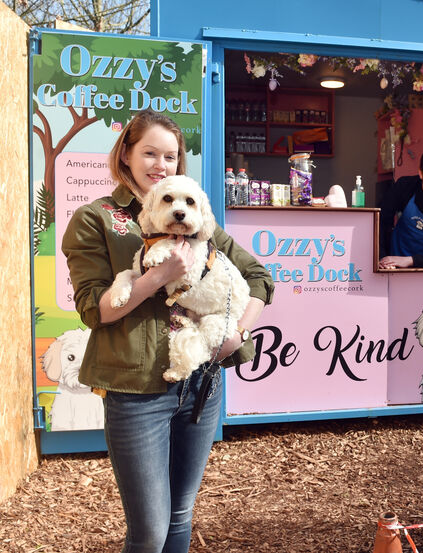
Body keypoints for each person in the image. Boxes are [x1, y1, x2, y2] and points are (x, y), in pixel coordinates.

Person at [61, 109, 274, 553]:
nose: (161, 165)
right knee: (150, 532)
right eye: (150, 153)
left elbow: (259, 278)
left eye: (171, 156)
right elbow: (95, 311)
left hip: (201, 385)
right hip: (137, 392)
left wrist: (236, 333)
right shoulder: (97, 219)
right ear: (126, 155)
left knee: (181, 518)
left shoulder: (194, 213)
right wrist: (156, 278)